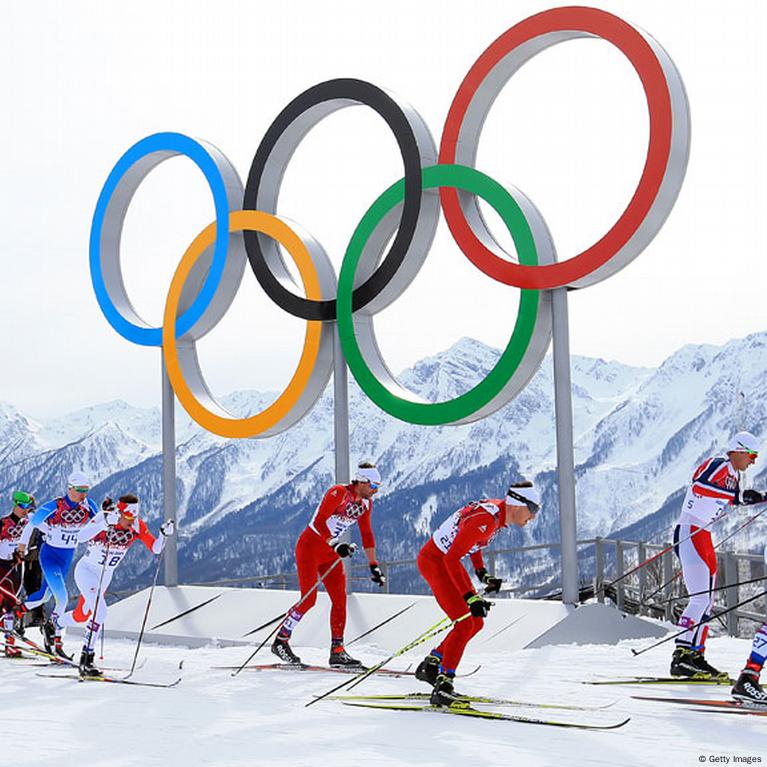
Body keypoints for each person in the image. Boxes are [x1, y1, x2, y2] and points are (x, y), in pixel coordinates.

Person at [415, 481, 541, 707]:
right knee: (465, 622)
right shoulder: (486, 519)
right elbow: (451, 558)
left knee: (476, 622)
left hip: (443, 562)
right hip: (436, 563)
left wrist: (483, 574)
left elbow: (473, 545)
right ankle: (444, 685)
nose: (532, 517)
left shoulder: (496, 516)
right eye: (532, 510)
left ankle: (432, 664)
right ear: (517, 504)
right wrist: (470, 597)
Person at [670, 431, 765, 680]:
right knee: (699, 598)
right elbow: (700, 485)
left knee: (708, 601)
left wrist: (755, 498)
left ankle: (696, 654)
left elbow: (731, 498)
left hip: (704, 535)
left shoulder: (734, 476)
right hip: (691, 531)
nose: (753, 462)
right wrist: (736, 496)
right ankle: (681, 655)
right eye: (751, 456)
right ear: (739, 450)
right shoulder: (718, 464)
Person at [271, 462, 386, 667]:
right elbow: (319, 522)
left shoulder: (366, 504)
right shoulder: (338, 492)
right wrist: (334, 543)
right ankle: (281, 641)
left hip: (330, 554)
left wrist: (373, 565)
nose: (376, 491)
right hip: (310, 548)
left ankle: (337, 650)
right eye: (374, 486)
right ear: (362, 481)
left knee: (340, 600)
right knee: (308, 600)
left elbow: (367, 534)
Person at [58, 493, 173, 676]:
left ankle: (54, 623)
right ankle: (86, 660)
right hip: (86, 572)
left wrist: (163, 535)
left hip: (104, 577)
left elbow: (155, 548)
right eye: (127, 517)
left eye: (134, 516)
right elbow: (80, 537)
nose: (131, 521)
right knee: (100, 612)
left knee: (82, 615)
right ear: (119, 512)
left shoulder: (136, 525)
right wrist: (103, 523)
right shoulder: (105, 517)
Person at [16, 471, 98, 656]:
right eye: (79, 490)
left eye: (86, 490)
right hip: (50, 556)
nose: (83, 494)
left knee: (44, 596)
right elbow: (31, 524)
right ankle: (53, 635)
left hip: (67, 556)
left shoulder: (89, 505)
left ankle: (17, 612)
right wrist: (22, 546)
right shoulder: (54, 506)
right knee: (62, 598)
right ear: (70, 489)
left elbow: (98, 523)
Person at [0, 492, 35, 657]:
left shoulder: (28, 524)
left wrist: (22, 553)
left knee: (9, 606)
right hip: (2, 567)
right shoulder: (3, 523)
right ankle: (9, 644)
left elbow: (27, 545)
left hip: (15, 568)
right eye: (22, 506)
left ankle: (9, 643)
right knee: (11, 603)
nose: (24, 510)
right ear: (14, 504)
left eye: (28, 507)